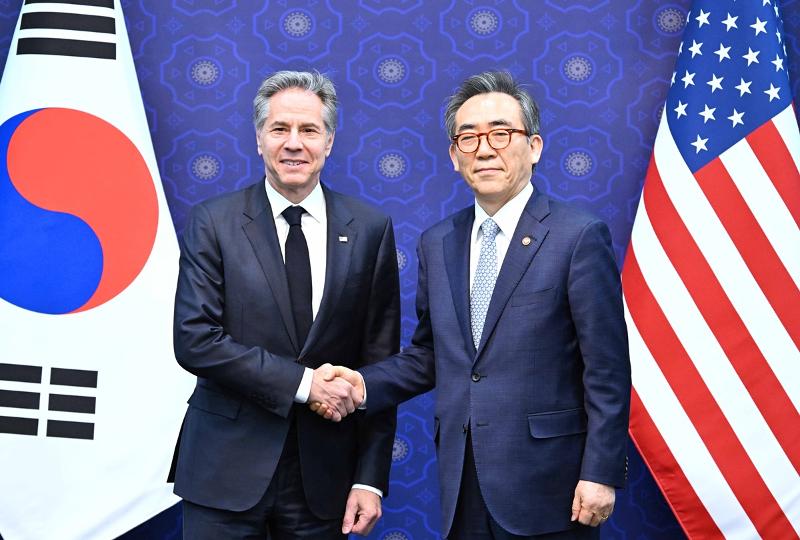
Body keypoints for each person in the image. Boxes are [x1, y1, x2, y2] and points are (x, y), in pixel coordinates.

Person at [313, 71, 631, 539]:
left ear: (535, 146)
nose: (484, 149)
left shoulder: (578, 236)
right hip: (462, 480)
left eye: (501, 134)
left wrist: (601, 471)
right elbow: (431, 356)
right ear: (454, 156)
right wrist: (362, 384)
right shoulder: (437, 242)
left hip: (552, 486)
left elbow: (606, 368)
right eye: (468, 137)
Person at [169, 70, 399, 539]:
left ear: (329, 142)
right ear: (259, 140)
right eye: (280, 129)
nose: (294, 143)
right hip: (223, 473)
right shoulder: (213, 222)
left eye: (309, 130)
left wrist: (369, 478)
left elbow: (380, 364)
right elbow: (195, 340)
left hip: (325, 482)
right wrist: (305, 383)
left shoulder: (370, 229)